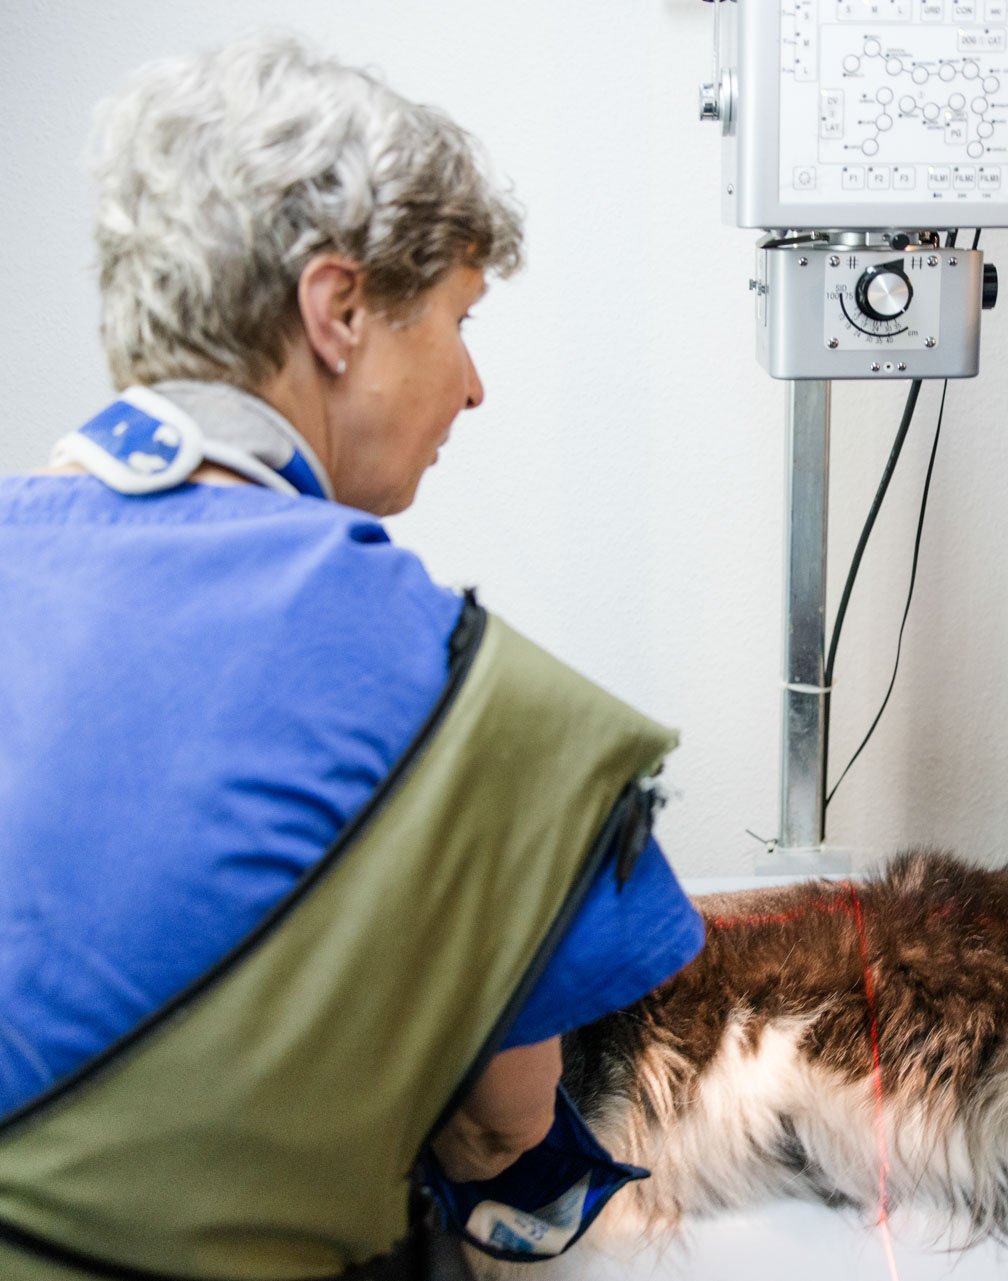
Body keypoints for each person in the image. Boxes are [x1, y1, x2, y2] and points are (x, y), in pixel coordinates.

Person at [0, 36, 705, 1280]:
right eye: (458, 320)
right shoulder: (464, 697)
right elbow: (501, 1137)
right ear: (336, 311)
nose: (472, 386)